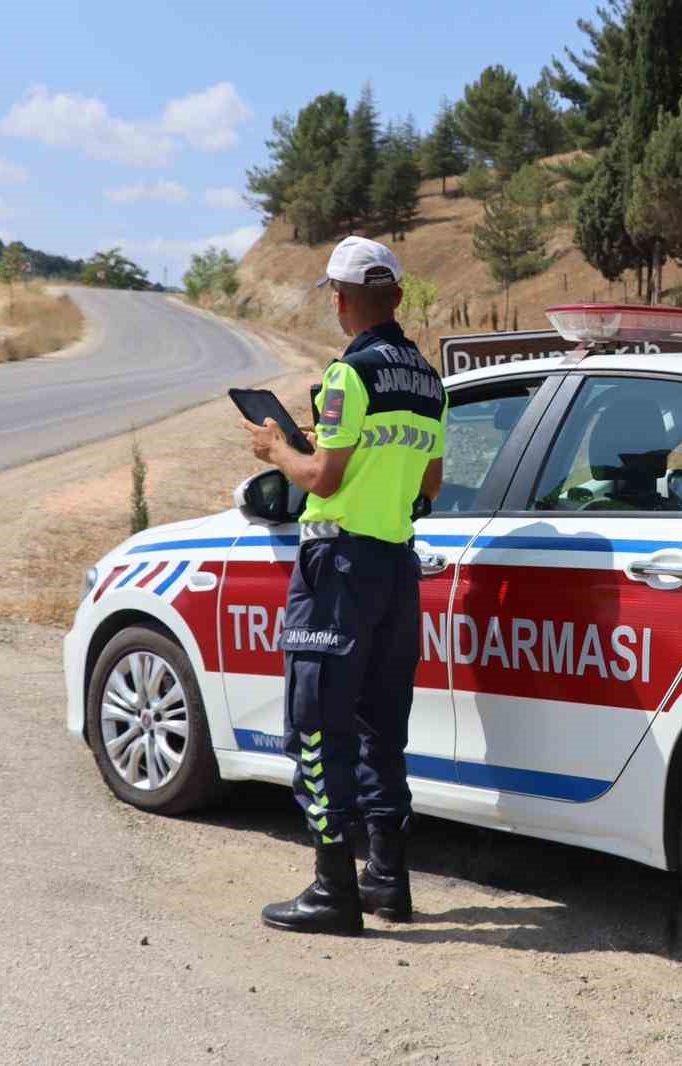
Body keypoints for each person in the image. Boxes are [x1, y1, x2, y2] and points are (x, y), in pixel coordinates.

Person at [241, 236, 446, 936]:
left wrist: (277, 449)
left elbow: (322, 480)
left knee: (317, 722)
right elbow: (429, 486)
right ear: (397, 297)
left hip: (336, 569)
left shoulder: (348, 375)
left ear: (342, 299)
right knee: (380, 728)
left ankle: (333, 890)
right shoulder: (429, 381)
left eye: (334, 293)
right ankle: (387, 878)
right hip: (396, 568)